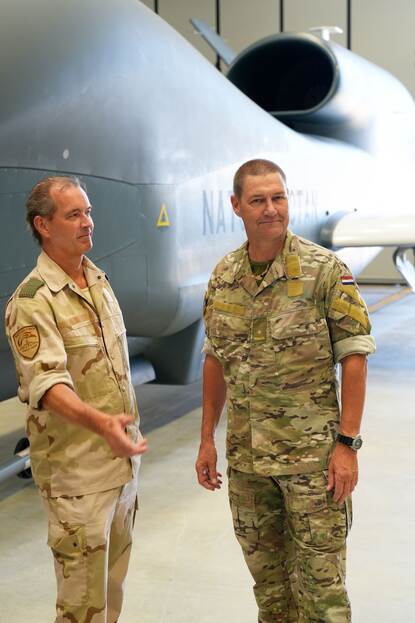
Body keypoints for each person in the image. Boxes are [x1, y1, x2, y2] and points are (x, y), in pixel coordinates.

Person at [195, 159, 376, 622]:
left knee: (322, 593)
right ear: (236, 206)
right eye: (258, 200)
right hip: (249, 468)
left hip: (314, 467)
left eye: (278, 197)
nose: (271, 209)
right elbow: (215, 359)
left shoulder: (324, 271)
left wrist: (347, 445)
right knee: (271, 593)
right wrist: (205, 440)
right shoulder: (224, 278)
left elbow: (354, 358)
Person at [5, 176, 147, 623]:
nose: (88, 222)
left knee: (110, 592)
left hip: (120, 469)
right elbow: (47, 387)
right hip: (77, 477)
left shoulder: (97, 280)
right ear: (43, 225)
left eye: (88, 212)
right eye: (74, 214)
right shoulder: (31, 302)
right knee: (81, 607)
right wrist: (102, 424)